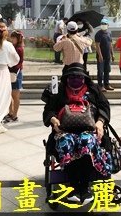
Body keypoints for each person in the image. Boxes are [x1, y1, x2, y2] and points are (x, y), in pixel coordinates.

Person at [42, 63, 112, 205]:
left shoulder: (93, 90)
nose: (75, 79)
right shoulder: (59, 90)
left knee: (87, 142)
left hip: (89, 130)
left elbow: (104, 107)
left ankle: (85, 188)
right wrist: (53, 120)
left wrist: (100, 122)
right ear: (66, 78)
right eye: (72, 77)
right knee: (66, 143)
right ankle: (74, 186)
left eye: (79, 77)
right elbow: (49, 110)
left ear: (84, 78)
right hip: (64, 130)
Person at [4, 31, 24, 122]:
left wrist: (9, 65)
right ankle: (10, 112)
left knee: (15, 95)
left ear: (18, 38)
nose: (12, 39)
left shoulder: (19, 48)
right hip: (10, 73)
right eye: (11, 37)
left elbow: (19, 63)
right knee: (9, 95)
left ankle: (14, 114)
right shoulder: (12, 47)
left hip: (15, 73)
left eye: (14, 38)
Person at [95, 18, 115, 92]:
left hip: (107, 56)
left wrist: (112, 54)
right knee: (100, 71)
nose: (103, 25)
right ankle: (100, 85)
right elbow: (97, 45)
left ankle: (107, 84)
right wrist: (100, 56)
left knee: (107, 70)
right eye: (102, 24)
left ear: (108, 25)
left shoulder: (109, 33)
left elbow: (110, 44)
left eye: (105, 24)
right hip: (101, 56)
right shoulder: (98, 34)